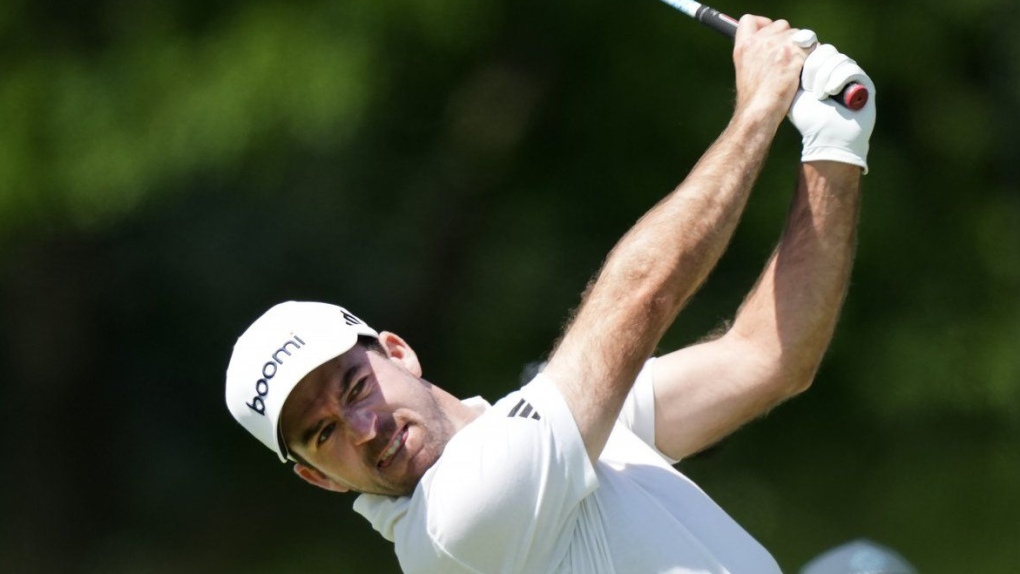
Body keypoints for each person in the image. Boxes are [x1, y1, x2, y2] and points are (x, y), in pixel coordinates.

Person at [225, 15, 876, 573]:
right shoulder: (455, 522)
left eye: (354, 388)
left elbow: (766, 359)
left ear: (396, 351)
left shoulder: (551, 435)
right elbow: (640, 297)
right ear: (318, 476)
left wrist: (833, 147)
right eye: (322, 433)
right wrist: (758, 107)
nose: (362, 430)